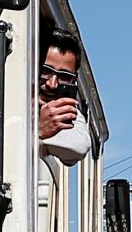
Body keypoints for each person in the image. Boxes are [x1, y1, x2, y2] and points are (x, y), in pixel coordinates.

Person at [36, 27, 92, 165]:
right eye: (45, 71)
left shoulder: (66, 111)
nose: (52, 84)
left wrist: (41, 132)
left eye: (64, 77)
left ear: (74, 80)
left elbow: (79, 146)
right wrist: (39, 130)